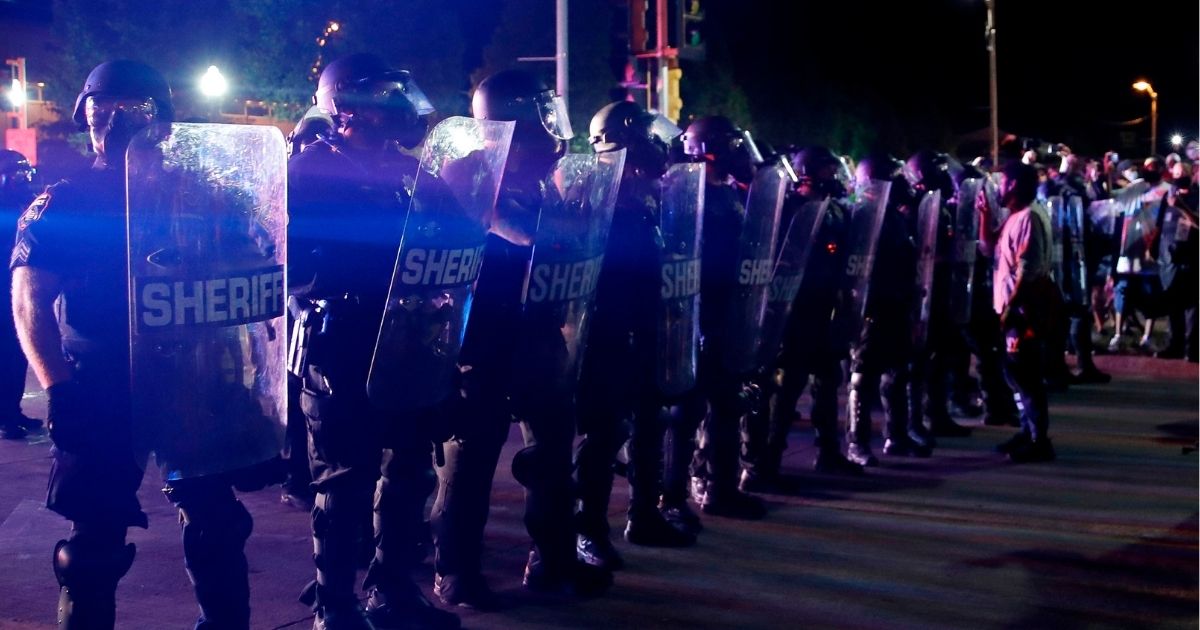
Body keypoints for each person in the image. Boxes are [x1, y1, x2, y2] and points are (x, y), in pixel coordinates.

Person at [13, 59, 281, 630]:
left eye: (133, 109)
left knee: (216, 522)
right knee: (93, 543)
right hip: (103, 376)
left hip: (195, 372)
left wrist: (257, 387)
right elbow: (29, 299)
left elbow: (252, 275)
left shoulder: (204, 193)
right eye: (100, 109)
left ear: (163, 117)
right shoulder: (72, 197)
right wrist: (59, 388)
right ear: (84, 114)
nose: (113, 122)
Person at [288, 53, 459, 630]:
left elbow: (461, 245)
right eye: (383, 95)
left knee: (411, 470)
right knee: (343, 480)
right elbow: (278, 263)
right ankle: (335, 608)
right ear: (347, 107)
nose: (398, 109)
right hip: (340, 347)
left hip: (408, 344)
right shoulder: (306, 173)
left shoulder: (414, 173)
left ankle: (391, 591)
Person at [430, 69, 613, 605]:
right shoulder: (467, 172)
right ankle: (456, 568)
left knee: (553, 454)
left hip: (538, 332)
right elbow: (519, 232)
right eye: (539, 117)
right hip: (481, 338)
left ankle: (552, 558)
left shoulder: (540, 178)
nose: (552, 131)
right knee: (470, 457)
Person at [573, 101, 696, 573]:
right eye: (649, 136)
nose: (660, 146)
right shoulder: (591, 196)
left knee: (650, 423)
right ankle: (589, 533)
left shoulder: (648, 197)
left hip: (644, 330)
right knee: (602, 437)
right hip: (604, 336)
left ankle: (643, 515)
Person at [741, 145, 862, 483]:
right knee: (787, 387)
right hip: (792, 312)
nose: (833, 176)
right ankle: (769, 460)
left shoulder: (835, 211)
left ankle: (828, 452)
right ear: (808, 171)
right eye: (826, 170)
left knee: (828, 381)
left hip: (825, 309)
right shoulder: (789, 207)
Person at [674, 115, 769, 519]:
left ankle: (723, 487)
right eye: (730, 145)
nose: (738, 152)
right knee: (692, 413)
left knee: (728, 406)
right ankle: (683, 491)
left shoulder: (728, 194)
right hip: (700, 319)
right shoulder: (685, 195)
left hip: (729, 315)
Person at [979, 161, 1058, 463]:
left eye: (1002, 181)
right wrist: (984, 216)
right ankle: (1028, 432)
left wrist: (1011, 308)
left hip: (1023, 311)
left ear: (1013, 185)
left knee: (1026, 376)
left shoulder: (1029, 218)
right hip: (1012, 310)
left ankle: (1040, 441)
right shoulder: (1015, 216)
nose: (997, 187)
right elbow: (988, 249)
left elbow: (1028, 269)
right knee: (1015, 374)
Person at [0, 149, 41, 440]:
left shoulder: (23, 202)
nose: (22, 176)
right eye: (16, 171)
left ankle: (11, 411)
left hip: (14, 285)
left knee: (16, 354)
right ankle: (7, 416)